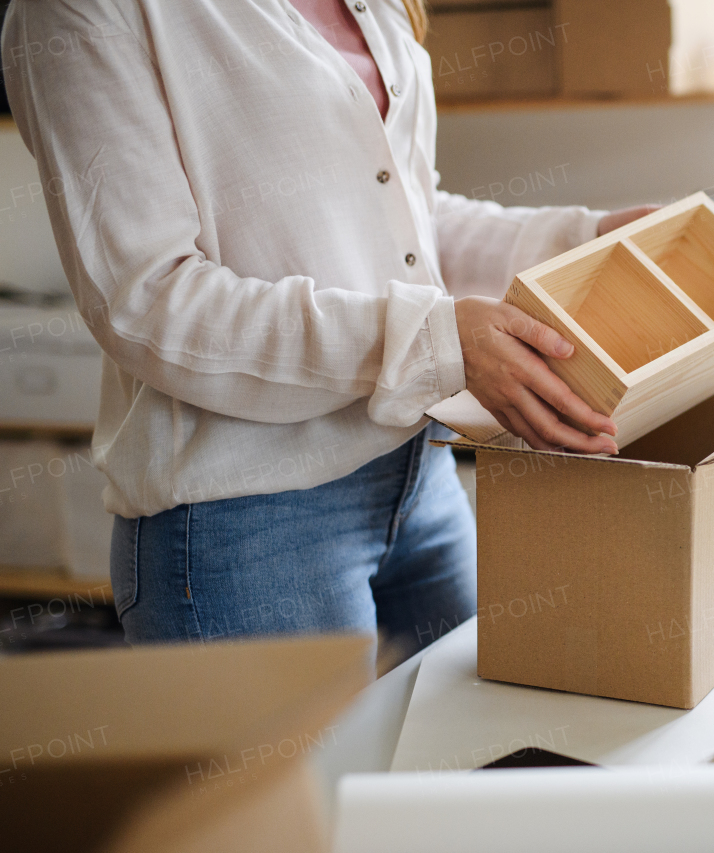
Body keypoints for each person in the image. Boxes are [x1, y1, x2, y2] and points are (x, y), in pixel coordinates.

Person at [1, 0, 653, 659]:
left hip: (418, 480)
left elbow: (405, 229)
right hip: (247, 523)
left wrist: (581, 240)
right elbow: (150, 301)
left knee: (477, 754)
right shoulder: (79, 12)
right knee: (310, 767)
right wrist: (437, 340)